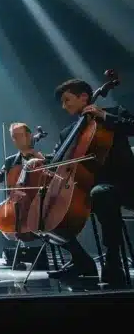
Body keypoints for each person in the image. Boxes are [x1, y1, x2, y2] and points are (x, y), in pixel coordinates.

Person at [43, 79, 134, 286]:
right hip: (87, 187)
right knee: (46, 209)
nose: (64, 106)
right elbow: (59, 157)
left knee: (101, 194)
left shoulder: (112, 112)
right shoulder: (69, 132)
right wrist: (43, 164)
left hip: (125, 183)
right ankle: (81, 260)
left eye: (67, 100)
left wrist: (105, 116)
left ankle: (113, 260)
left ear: (84, 97)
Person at [0, 123, 45, 269]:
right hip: (14, 201)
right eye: (13, 138)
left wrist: (41, 161)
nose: (16, 140)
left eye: (19, 136)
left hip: (36, 202)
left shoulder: (41, 158)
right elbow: (1, 174)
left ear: (29, 136)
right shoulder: (11, 161)